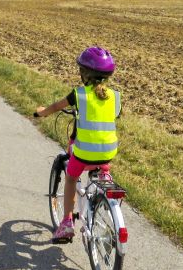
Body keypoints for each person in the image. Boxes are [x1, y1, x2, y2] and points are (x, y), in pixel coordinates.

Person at [32, 47, 120, 243]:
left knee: (71, 178)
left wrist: (41, 112)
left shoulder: (79, 94)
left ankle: (66, 224)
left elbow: (56, 107)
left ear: (84, 73)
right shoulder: (115, 96)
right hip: (108, 152)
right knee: (101, 166)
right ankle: (102, 186)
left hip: (84, 153)